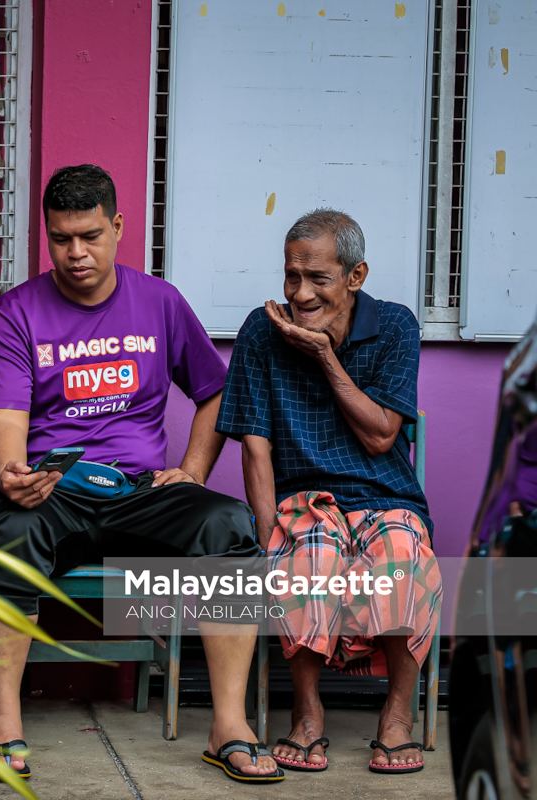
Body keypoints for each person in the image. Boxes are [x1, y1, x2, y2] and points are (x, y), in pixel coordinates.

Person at [0, 164, 281, 783]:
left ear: (117, 226)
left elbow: (215, 391)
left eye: (89, 235)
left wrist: (192, 469)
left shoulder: (159, 302)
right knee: (6, 537)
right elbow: (6, 416)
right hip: (57, 492)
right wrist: (10, 472)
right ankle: (4, 724)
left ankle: (228, 727)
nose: (75, 253)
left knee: (227, 523)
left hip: (140, 492)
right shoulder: (17, 312)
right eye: (61, 239)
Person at [216, 208, 441, 775]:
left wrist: (323, 355)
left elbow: (381, 434)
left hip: (384, 494)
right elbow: (256, 448)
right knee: (307, 551)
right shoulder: (261, 331)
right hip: (303, 499)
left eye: (318, 278)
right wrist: (270, 538)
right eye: (292, 276)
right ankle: (308, 712)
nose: (300, 292)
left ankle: (397, 716)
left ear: (355, 276)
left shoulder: (394, 326)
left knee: (401, 552)